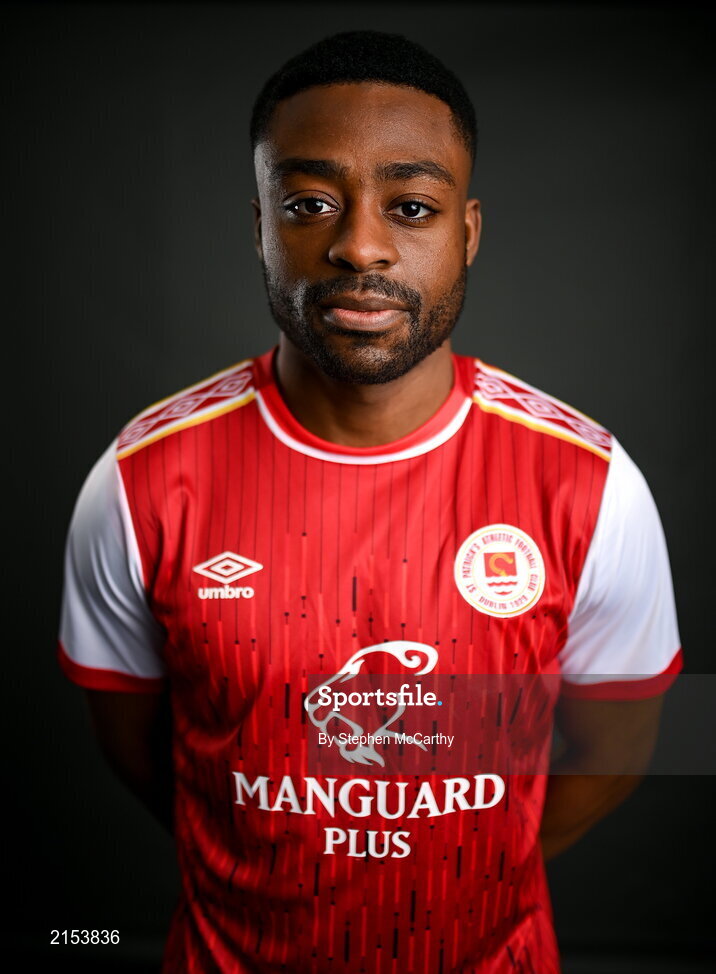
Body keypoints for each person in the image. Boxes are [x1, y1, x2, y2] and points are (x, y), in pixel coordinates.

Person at [57, 30, 682, 974]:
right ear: (260, 225)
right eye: (309, 204)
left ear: (466, 232)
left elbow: (617, 749)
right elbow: (142, 752)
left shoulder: (594, 484)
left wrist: (466, 874)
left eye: (412, 205)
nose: (360, 244)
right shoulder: (140, 479)